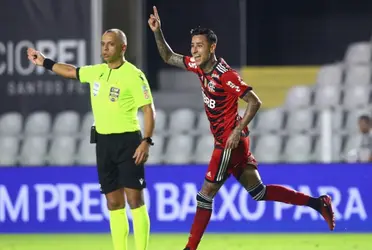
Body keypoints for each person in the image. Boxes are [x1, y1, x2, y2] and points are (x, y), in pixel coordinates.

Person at [148, 6, 335, 250]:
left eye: (199, 45)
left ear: (212, 47)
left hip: (228, 141)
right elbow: (168, 57)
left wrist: (237, 130)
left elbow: (255, 101)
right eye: (193, 45)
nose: (194, 50)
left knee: (205, 195)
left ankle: (190, 248)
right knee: (258, 192)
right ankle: (318, 203)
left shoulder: (226, 76)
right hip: (233, 140)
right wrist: (157, 31)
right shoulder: (197, 67)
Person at [27, 29, 154, 250]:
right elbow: (71, 71)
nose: (105, 49)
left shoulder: (134, 75)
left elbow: (148, 109)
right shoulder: (97, 72)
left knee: (135, 201)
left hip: (128, 143)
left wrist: (146, 140)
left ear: (122, 48)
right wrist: (45, 62)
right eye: (103, 44)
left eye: (110, 44)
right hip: (104, 144)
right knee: (113, 203)